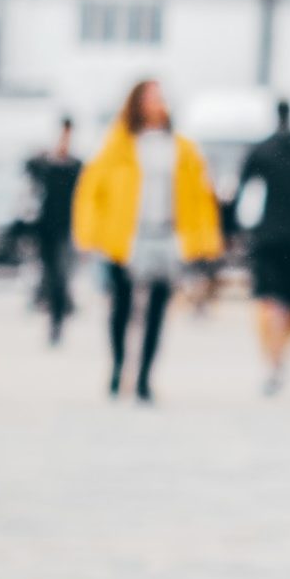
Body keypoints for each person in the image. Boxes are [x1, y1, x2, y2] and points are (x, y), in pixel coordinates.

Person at [72, 79, 220, 402]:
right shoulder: (119, 144)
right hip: (125, 236)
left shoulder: (181, 148)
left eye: (161, 98)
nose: (158, 104)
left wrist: (203, 239)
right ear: (137, 103)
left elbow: (199, 197)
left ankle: (143, 378)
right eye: (151, 98)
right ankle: (118, 366)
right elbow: (92, 190)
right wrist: (89, 233)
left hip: (166, 235)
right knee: (121, 307)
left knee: (157, 309)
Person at [234, 99, 290, 395]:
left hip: (268, 234)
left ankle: (272, 359)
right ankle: (278, 356)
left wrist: (237, 227)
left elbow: (243, 190)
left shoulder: (262, 150)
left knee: (269, 299)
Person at [24, 117, 80, 344]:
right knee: (48, 273)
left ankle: (57, 321)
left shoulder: (76, 167)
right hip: (45, 229)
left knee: (60, 275)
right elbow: (29, 168)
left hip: (66, 229)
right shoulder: (45, 164)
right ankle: (51, 309)